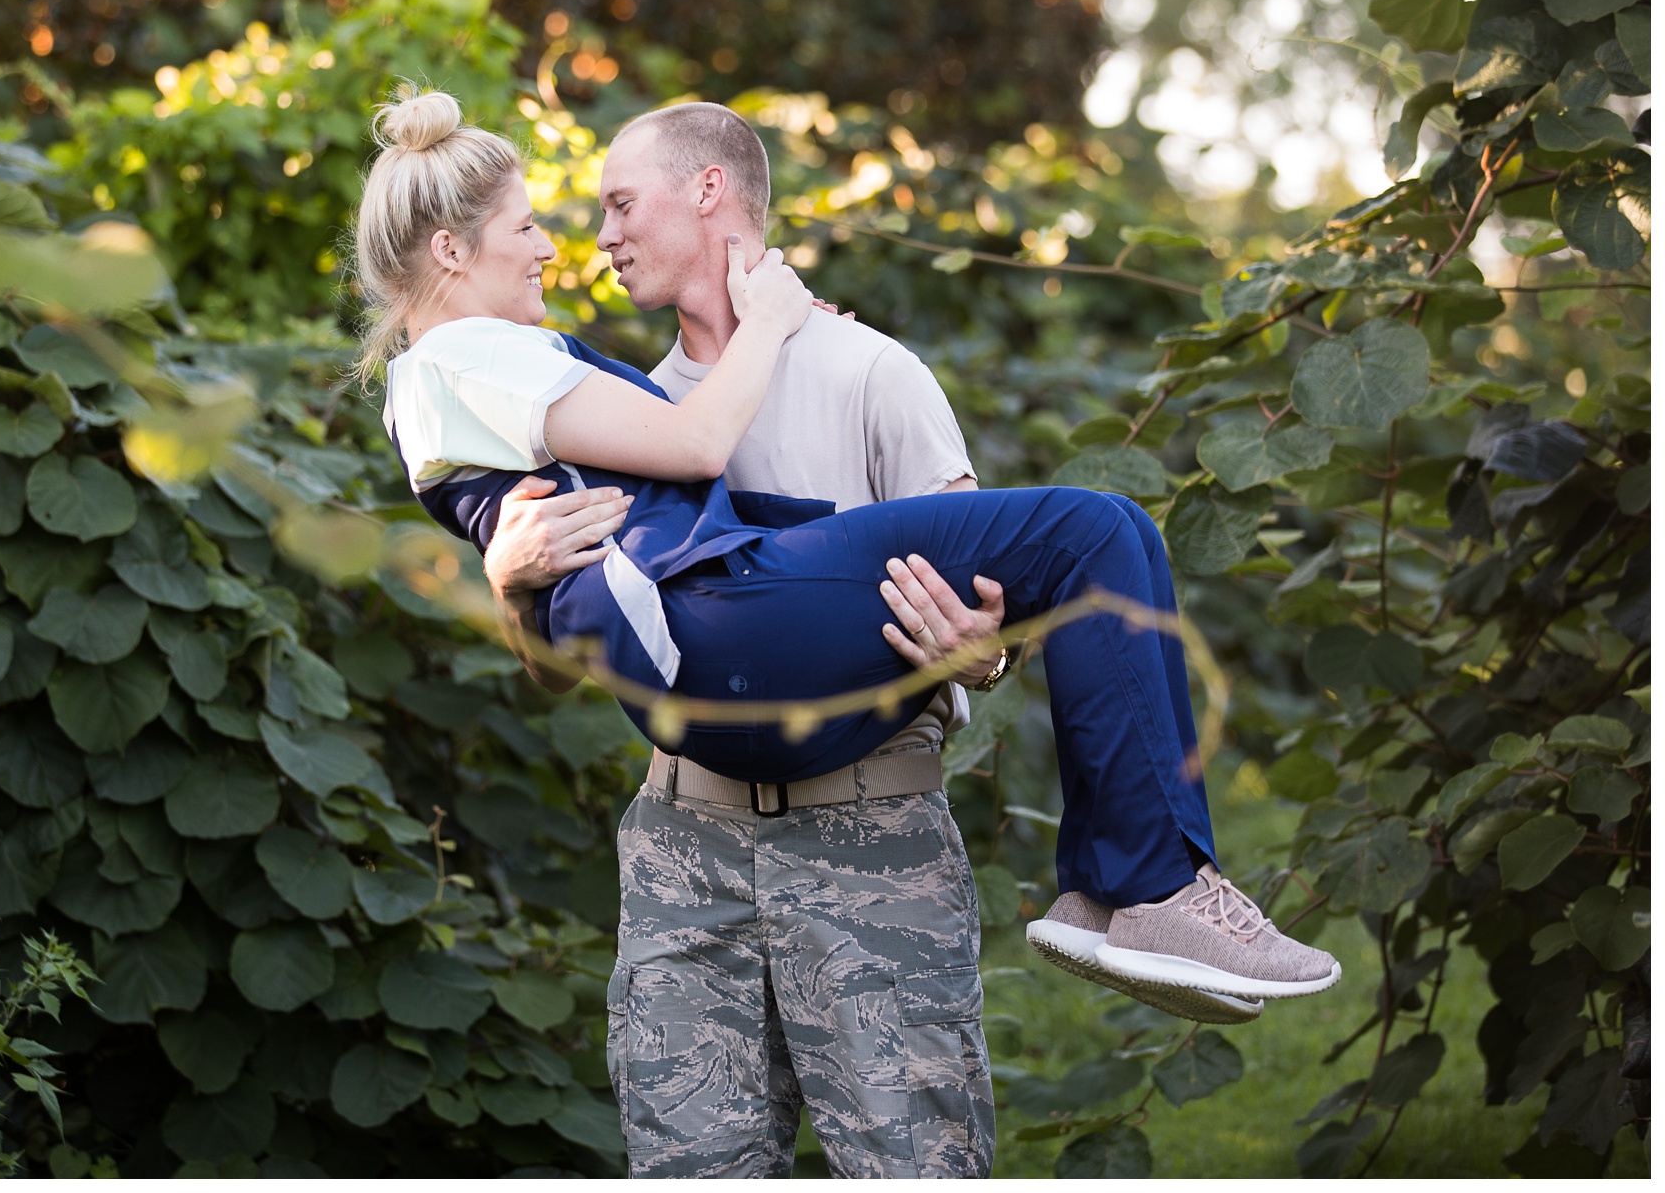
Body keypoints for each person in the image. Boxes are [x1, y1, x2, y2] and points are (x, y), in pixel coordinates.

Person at [356, 89, 1342, 1176]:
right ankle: (1138, 887)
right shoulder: (593, 384)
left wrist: (985, 644)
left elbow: (987, 622)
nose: (589, 238)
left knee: (908, 1161)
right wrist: (507, 581)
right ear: (451, 248)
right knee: (1096, 528)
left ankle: (1139, 888)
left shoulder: (866, 371)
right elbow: (588, 618)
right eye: (545, 220)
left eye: (618, 202)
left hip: (862, 829)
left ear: (709, 193)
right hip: (693, 827)